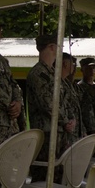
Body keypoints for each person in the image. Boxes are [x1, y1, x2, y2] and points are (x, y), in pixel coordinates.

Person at [26, 34, 76, 165]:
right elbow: (47, 103)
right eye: (59, 47)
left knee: (58, 175)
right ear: (52, 47)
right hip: (46, 133)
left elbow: (66, 100)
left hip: (60, 132)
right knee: (44, 174)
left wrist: (72, 119)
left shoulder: (54, 73)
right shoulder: (38, 73)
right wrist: (66, 121)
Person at [0, 27, 24, 143]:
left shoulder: (3, 61)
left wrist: (18, 102)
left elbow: (13, 84)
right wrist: (9, 105)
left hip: (9, 126)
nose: (1, 36)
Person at [58, 52, 81, 154]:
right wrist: (66, 121)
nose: (74, 68)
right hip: (61, 133)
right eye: (73, 64)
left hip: (71, 134)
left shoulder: (67, 83)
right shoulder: (57, 82)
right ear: (65, 64)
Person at [77, 57, 95, 138]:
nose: (92, 70)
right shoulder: (79, 87)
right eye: (88, 68)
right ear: (82, 70)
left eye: (94, 68)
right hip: (85, 129)